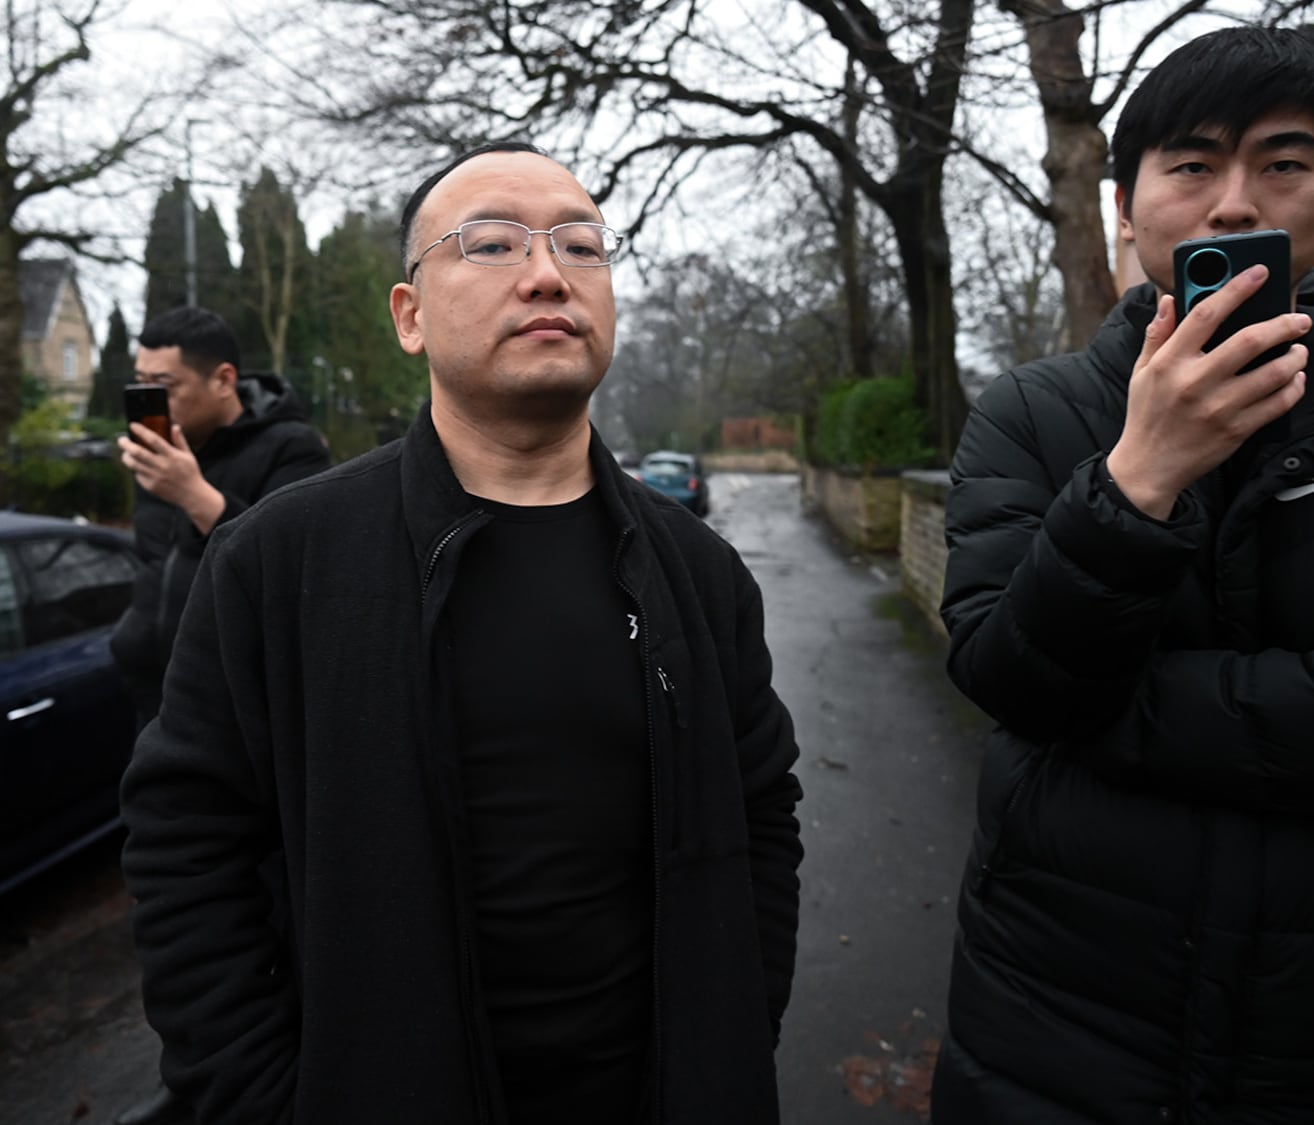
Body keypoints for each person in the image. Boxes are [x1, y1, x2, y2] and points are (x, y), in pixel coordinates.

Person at [118, 142, 803, 1125]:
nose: (546, 273)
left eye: (581, 245)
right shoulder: (281, 561)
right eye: (490, 244)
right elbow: (186, 840)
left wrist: (737, 1029)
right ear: (410, 316)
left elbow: (762, 811)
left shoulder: (699, 574)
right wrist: (256, 1097)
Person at [933, 26, 1314, 1125]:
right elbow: (1004, 671)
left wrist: (1090, 712)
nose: (1235, 203)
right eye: (1191, 166)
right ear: (1127, 207)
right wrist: (1138, 477)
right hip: (1044, 1015)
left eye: (1283, 164)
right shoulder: (1031, 417)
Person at [109, 307, 329, 1125]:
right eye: (138, 382)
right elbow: (155, 575)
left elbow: (304, 592)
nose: (147, 400)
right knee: (174, 900)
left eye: (163, 384)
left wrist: (197, 497)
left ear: (223, 381)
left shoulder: (291, 452)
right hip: (159, 715)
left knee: (259, 911)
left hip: (254, 737)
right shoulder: (164, 459)